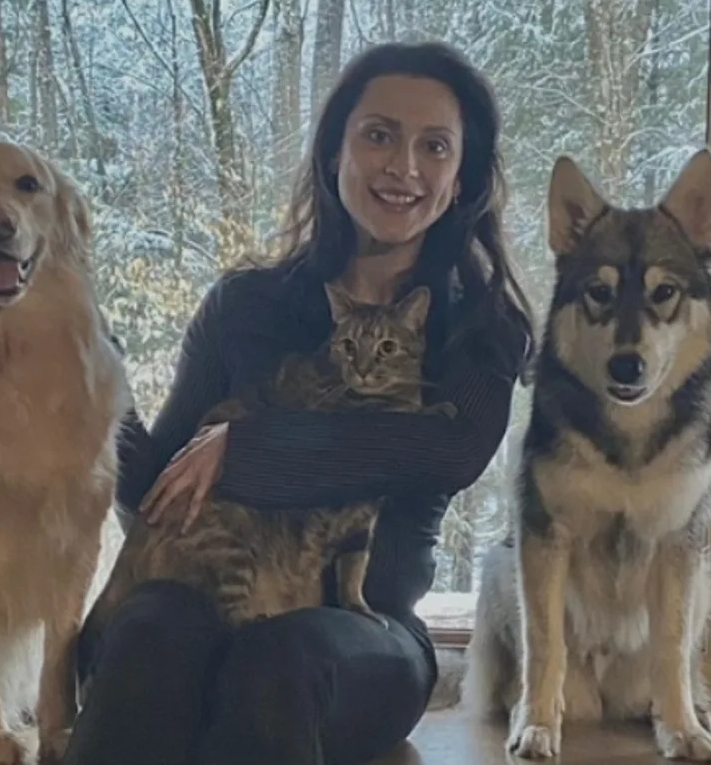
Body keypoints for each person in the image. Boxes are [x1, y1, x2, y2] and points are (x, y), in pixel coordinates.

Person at [62, 40, 534, 765]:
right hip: (212, 603)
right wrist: (94, 366)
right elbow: (160, 493)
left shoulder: (482, 327)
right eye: (379, 135)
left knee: (275, 658)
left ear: (462, 174)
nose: (404, 166)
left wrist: (248, 448)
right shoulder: (246, 303)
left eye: (434, 146)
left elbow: (444, 449)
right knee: (149, 627)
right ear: (334, 152)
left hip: (361, 633)